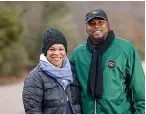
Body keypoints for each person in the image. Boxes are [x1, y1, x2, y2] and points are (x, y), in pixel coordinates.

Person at [70, 8, 145, 114]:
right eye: (91, 23)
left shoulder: (126, 49)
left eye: (100, 22)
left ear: (107, 24)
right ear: (86, 27)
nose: (96, 26)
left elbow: (140, 88)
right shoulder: (78, 54)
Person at [22, 28, 82, 114]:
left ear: (65, 51)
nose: (57, 53)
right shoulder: (34, 78)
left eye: (61, 49)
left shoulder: (73, 72)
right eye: (52, 49)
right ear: (45, 51)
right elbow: (33, 111)